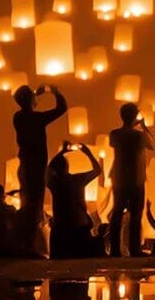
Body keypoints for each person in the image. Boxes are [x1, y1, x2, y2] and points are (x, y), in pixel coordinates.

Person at [108, 104, 155, 255]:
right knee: (136, 215)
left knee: (117, 214)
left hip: (119, 178)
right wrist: (143, 126)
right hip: (136, 179)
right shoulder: (138, 136)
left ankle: (115, 249)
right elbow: (151, 144)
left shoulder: (114, 134)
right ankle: (134, 249)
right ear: (135, 115)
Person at [11, 84, 67, 214]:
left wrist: (35, 94)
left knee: (27, 201)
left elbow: (27, 103)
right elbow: (61, 108)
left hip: (25, 165)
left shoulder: (18, 117)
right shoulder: (37, 118)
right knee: (36, 203)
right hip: (37, 167)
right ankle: (35, 230)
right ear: (30, 99)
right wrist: (55, 92)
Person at [46, 143, 103, 259]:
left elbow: (47, 169)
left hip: (60, 227)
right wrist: (88, 153)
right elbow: (97, 170)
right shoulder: (77, 179)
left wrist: (62, 152)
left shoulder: (54, 183)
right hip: (79, 225)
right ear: (67, 167)